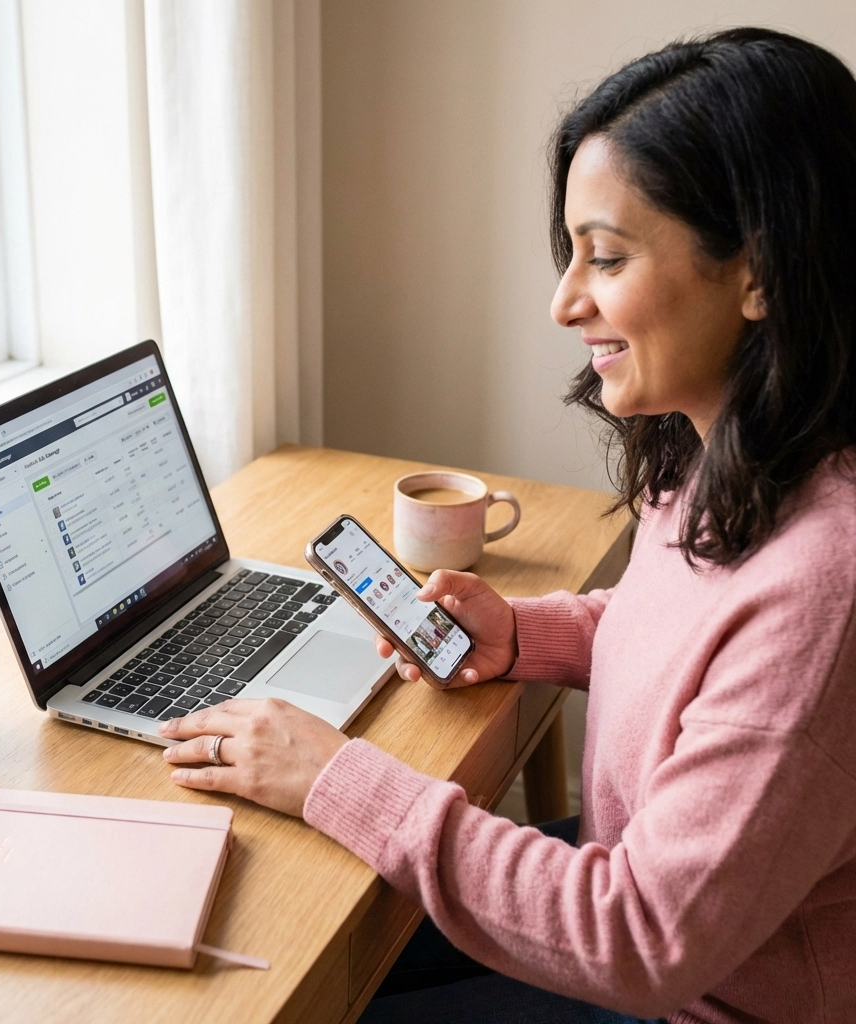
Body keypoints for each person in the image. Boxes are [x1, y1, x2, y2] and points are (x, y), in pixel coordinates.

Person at [158, 28, 856, 1024]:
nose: (563, 302)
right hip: (634, 893)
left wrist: (333, 774)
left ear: (760, 273)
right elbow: (701, 647)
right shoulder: (727, 453)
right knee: (274, 936)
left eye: (605, 257)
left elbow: (638, 938)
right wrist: (528, 633)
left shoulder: (827, 583)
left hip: (682, 985)